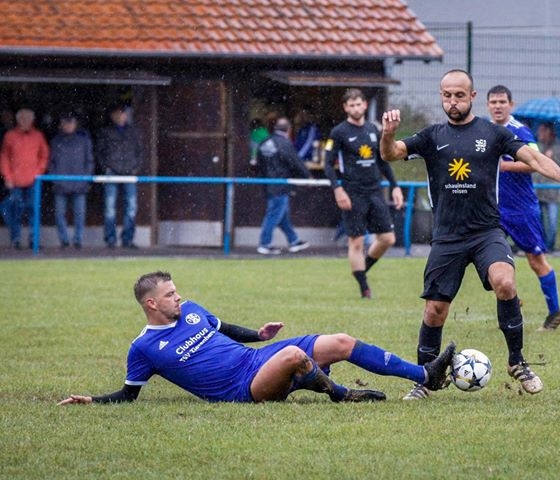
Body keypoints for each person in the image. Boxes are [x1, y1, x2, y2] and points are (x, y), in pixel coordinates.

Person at [380, 69, 560, 400]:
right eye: (447, 95)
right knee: (435, 310)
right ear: (442, 96)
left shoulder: (493, 133)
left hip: (485, 231)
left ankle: (517, 361)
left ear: (472, 97)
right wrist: (388, 135)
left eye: (459, 95)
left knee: (505, 282)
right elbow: (391, 154)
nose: (453, 101)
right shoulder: (432, 136)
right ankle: (424, 378)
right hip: (447, 236)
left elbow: (532, 157)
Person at [57, 271, 456, 405]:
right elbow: (129, 395)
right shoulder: (143, 348)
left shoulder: (192, 309)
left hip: (256, 359)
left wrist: (258, 334)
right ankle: (340, 394)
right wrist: (92, 400)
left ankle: (425, 375)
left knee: (341, 341)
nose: (178, 297)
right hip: (242, 388)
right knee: (293, 358)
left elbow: (222, 329)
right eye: (169, 295)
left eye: (177, 291)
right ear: (150, 304)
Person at [486, 85, 560, 332]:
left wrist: (506, 166)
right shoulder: (484, 131)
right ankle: (511, 302)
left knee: (536, 261)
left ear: (511, 104)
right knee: (485, 258)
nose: (498, 106)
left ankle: (555, 312)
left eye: (502, 101)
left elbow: (537, 162)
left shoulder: (520, 131)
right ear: (487, 105)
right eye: (493, 102)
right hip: (494, 209)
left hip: (521, 209)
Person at [324, 88, 404, 299]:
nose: (355, 108)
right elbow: (328, 165)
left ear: (365, 105)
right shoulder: (339, 132)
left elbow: (383, 161)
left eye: (358, 104)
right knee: (356, 242)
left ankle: (361, 270)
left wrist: (395, 186)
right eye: (351, 105)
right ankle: (364, 288)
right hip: (352, 192)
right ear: (345, 108)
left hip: (375, 191)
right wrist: (338, 189)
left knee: (387, 238)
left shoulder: (373, 130)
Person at [256, 116, 311, 255]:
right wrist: (308, 177)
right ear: (288, 130)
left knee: (282, 215)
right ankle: (264, 244)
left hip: (268, 184)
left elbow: (259, 164)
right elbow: (295, 161)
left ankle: (294, 241)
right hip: (281, 184)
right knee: (274, 215)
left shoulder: (264, 142)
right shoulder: (285, 143)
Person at [0, 108, 49, 249]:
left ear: (32, 120)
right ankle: (16, 239)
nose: (25, 121)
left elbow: (44, 155)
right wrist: (7, 176)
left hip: (34, 181)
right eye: (22, 118)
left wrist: (38, 172)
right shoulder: (10, 136)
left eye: (28, 118)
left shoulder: (38, 136)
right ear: (18, 120)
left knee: (34, 210)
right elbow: (4, 157)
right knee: (15, 211)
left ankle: (34, 240)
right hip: (15, 181)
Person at [96, 104, 142, 249]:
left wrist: (136, 168)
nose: (120, 116)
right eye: (117, 113)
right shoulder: (106, 132)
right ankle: (111, 240)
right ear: (112, 116)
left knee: (131, 208)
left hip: (129, 173)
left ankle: (127, 240)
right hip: (112, 172)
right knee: (110, 208)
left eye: (122, 113)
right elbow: (99, 152)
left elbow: (140, 152)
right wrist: (106, 168)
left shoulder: (133, 132)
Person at [47, 112, 94, 249]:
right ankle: (64, 241)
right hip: (60, 185)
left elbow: (89, 162)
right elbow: (51, 163)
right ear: (61, 125)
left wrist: (84, 180)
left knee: (79, 215)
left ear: (75, 124)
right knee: (59, 214)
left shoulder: (84, 141)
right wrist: (57, 180)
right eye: (65, 123)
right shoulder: (55, 141)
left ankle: (78, 240)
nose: (68, 126)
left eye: (70, 122)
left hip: (79, 185)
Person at [534, 122, 560, 252]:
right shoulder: (537, 146)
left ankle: (550, 246)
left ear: (548, 131)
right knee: (538, 221)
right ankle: (541, 246)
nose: (539, 134)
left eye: (541, 131)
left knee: (552, 222)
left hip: (553, 192)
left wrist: (553, 158)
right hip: (537, 190)